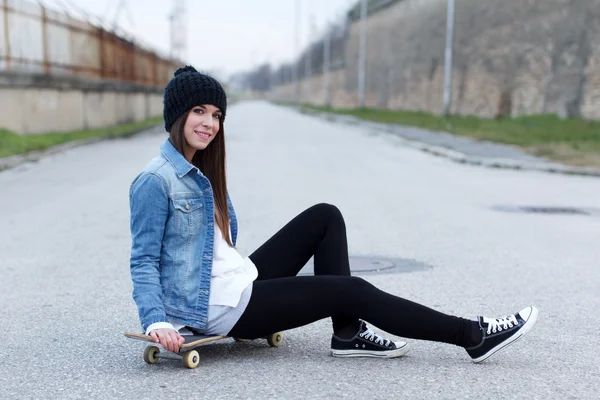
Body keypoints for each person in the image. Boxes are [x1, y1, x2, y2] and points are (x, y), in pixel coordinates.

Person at [128, 65, 539, 363]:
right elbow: (143, 259)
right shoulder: (155, 180)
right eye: (199, 111)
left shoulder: (202, 172)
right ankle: (473, 335)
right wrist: (156, 321)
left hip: (233, 284)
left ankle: (347, 333)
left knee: (325, 216)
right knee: (351, 290)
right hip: (221, 309)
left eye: (216, 114)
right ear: (178, 116)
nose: (210, 123)